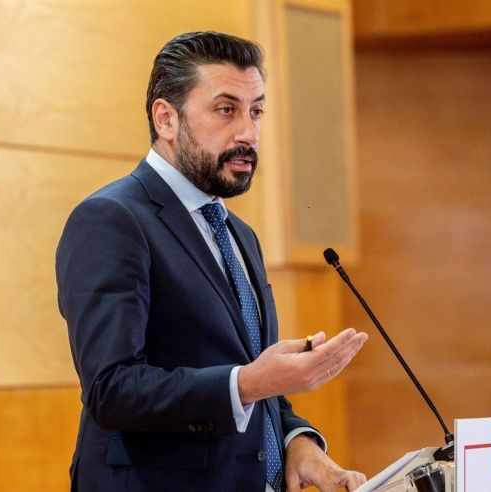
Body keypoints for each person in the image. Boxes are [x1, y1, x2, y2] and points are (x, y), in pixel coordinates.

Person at [56, 31, 368, 492]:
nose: (248, 133)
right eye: (226, 110)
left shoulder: (239, 234)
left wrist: (297, 440)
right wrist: (248, 383)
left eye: (256, 111)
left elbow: (246, 375)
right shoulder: (111, 219)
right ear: (166, 118)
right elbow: (112, 389)